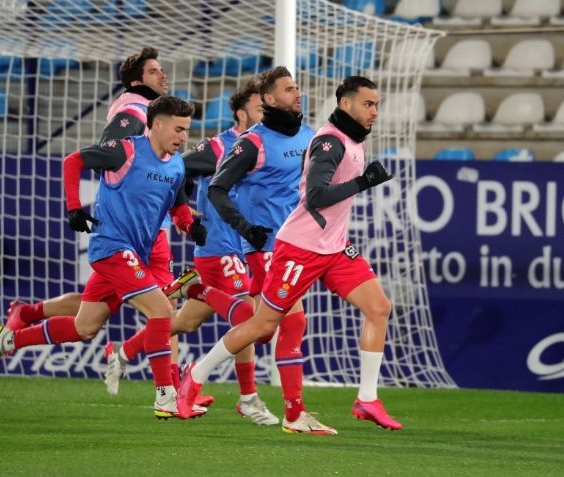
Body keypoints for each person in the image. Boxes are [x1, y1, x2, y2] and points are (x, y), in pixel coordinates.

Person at [176, 76, 402, 433]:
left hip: (333, 246)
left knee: (378, 307)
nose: (374, 111)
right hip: (296, 247)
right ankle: (197, 377)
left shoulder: (326, 136)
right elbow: (314, 197)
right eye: (368, 104)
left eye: (377, 105)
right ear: (346, 104)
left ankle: (366, 399)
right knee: (264, 325)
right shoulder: (320, 141)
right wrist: (364, 182)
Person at [0, 96, 205, 420]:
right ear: (157, 124)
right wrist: (74, 208)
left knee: (85, 327)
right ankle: (165, 395)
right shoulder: (124, 150)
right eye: (179, 129)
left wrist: (190, 226)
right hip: (111, 248)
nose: (184, 137)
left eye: (187, 130)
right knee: (162, 310)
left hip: (135, 254)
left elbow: (177, 208)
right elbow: (73, 161)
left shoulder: (177, 165)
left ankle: (10, 339)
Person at [3, 47, 187, 389]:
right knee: (164, 308)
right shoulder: (135, 110)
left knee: (90, 321)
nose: (163, 75)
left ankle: (24, 320)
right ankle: (170, 390)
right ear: (136, 81)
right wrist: (80, 205)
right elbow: (109, 156)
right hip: (130, 232)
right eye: (153, 71)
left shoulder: (150, 115)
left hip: (145, 231)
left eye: (161, 70)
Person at [104, 80, 280, 425]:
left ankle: (124, 350)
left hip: (243, 247)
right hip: (220, 247)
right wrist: (185, 208)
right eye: (261, 109)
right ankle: (247, 397)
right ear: (242, 113)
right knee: (248, 318)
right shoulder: (222, 147)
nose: (266, 115)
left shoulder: (263, 145)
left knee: (184, 320)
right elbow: (180, 167)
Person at [186, 65, 319, 432]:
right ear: (253, 107)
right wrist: (186, 217)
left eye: (297, 87)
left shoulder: (304, 134)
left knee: (259, 325)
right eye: (288, 89)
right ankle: (287, 411)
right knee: (282, 320)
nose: (297, 93)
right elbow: (198, 181)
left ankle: (194, 302)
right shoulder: (236, 144)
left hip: (293, 242)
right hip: (249, 245)